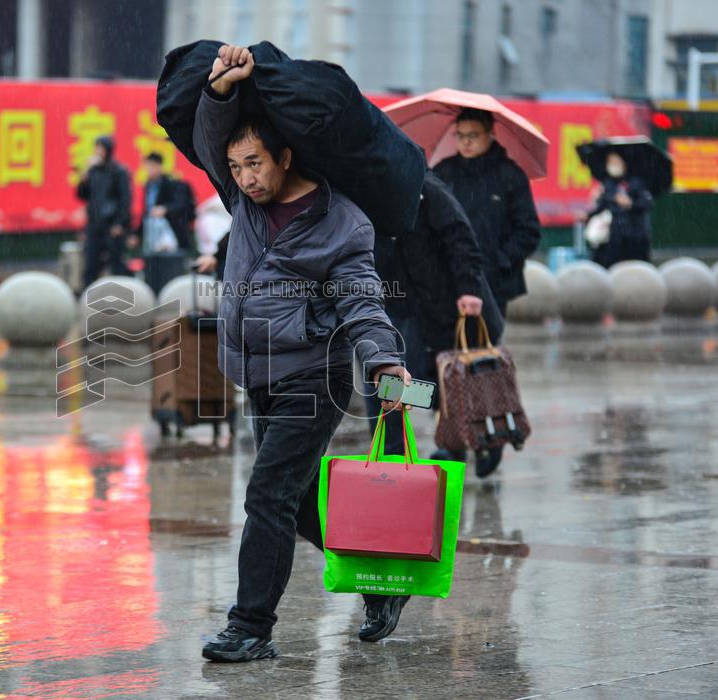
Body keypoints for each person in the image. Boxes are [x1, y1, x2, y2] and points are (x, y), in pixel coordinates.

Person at [193, 44, 413, 663]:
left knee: (266, 496)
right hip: (258, 374)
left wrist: (382, 361)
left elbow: (364, 302)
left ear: (285, 155)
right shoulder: (242, 203)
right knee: (292, 503)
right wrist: (220, 90)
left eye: (255, 163)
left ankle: (250, 627)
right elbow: (211, 140)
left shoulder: (343, 223)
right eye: (236, 167)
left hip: (312, 379)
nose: (245, 177)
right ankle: (377, 580)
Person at [363, 172, 505, 477]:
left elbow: (461, 238)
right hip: (396, 304)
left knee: (440, 382)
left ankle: (477, 439)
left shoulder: (425, 188)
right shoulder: (360, 193)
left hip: (445, 304)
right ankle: (393, 456)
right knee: (386, 382)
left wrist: (469, 287)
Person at [432, 108, 541, 318]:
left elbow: (529, 230)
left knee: (485, 345)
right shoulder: (443, 173)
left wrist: (500, 260)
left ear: (491, 133)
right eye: (460, 136)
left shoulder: (510, 176)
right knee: (449, 346)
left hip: (495, 282)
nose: (466, 142)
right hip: (449, 277)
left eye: (473, 135)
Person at [76, 136, 132, 289]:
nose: (98, 151)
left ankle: (123, 298)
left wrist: (120, 223)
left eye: (101, 148)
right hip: (94, 226)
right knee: (91, 264)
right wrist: (83, 178)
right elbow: (82, 195)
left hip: (112, 225)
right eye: (97, 147)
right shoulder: (92, 172)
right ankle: (87, 298)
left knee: (116, 264)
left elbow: (125, 199)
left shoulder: (119, 171)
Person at [587, 152, 653, 268]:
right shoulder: (608, 184)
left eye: (616, 162)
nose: (613, 165)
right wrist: (588, 214)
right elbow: (602, 207)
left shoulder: (637, 182)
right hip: (614, 237)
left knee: (636, 269)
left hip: (635, 236)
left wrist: (630, 203)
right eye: (610, 162)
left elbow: (647, 203)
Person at [138, 152, 196, 252]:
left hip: (170, 231)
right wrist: (137, 234)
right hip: (152, 231)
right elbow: (146, 211)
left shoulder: (171, 184)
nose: (149, 169)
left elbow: (181, 204)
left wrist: (165, 209)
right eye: (147, 166)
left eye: (152, 166)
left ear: (159, 166)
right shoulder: (147, 186)